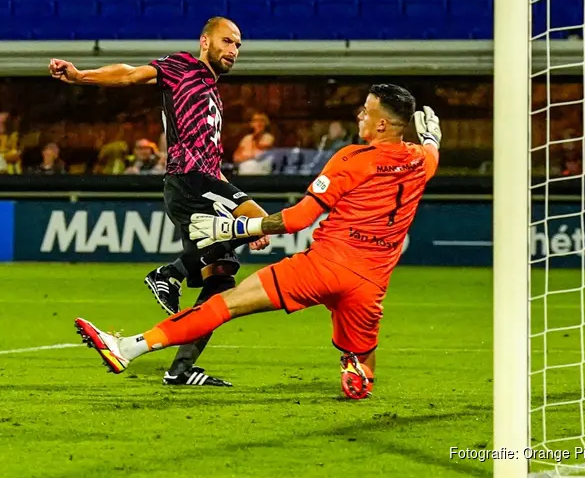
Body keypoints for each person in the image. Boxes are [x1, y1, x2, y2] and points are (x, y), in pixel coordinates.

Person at [74, 85, 443, 399]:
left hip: (322, 268)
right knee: (364, 370)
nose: (359, 114)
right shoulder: (420, 161)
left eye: (366, 110)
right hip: (370, 284)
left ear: (382, 123)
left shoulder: (351, 159)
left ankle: (127, 348)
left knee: (224, 305)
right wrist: (430, 138)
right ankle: (354, 371)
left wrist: (233, 229)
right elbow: (432, 152)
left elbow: (298, 219)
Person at [51, 17, 271, 387]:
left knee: (221, 279)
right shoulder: (183, 67)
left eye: (238, 45)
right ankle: (169, 273)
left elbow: (214, 166)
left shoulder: (212, 92)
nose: (233, 51)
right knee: (263, 219)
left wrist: (241, 219)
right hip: (188, 182)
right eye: (227, 41)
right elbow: (131, 74)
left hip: (205, 182)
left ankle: (181, 369)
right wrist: (80, 77)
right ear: (205, 41)